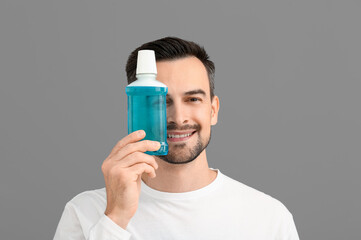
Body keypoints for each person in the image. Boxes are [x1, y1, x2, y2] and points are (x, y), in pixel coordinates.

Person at [54, 37, 299, 240]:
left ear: (213, 110)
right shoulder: (87, 212)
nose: (178, 118)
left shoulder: (268, 218)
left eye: (193, 99)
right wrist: (116, 219)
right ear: (136, 108)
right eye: (160, 101)